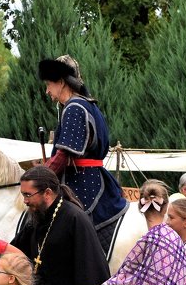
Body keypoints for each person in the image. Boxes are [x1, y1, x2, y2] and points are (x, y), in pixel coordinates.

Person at [37, 55, 127, 240]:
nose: (47, 91)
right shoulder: (88, 105)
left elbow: (64, 155)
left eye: (48, 84)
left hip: (81, 183)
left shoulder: (74, 107)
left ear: (61, 82)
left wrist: (39, 177)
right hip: (92, 177)